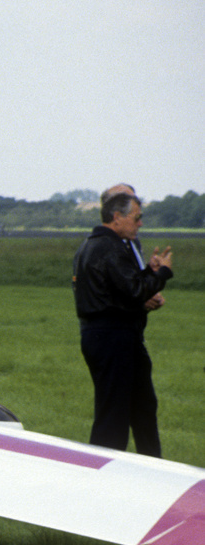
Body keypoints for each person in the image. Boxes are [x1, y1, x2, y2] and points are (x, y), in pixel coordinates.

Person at [72, 190, 174, 456]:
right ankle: (102, 476)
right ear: (117, 217)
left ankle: (152, 467)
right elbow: (134, 291)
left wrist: (147, 273)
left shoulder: (92, 245)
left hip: (110, 336)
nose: (140, 224)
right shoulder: (109, 247)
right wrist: (162, 273)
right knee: (113, 416)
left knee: (142, 405)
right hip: (113, 337)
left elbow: (120, 288)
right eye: (136, 218)